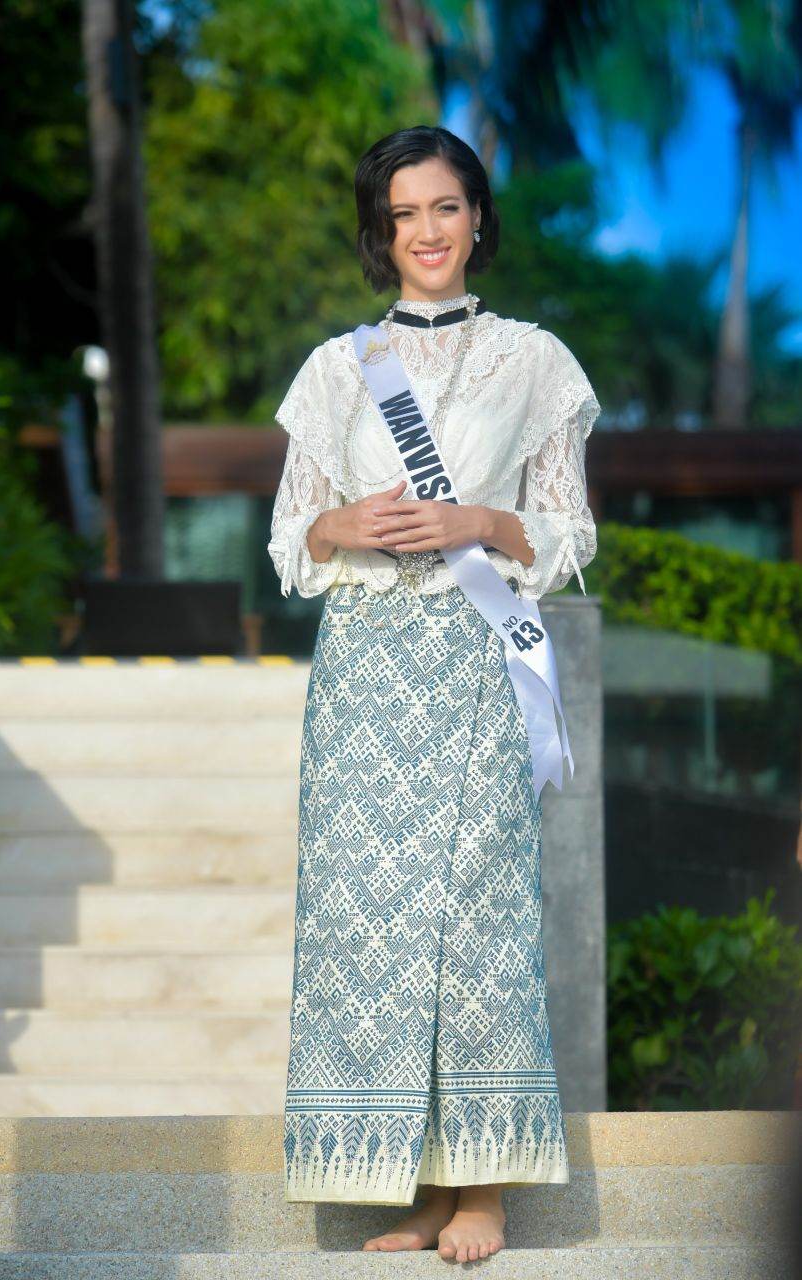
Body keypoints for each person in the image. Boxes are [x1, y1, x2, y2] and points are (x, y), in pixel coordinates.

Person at [267, 124, 599, 1264]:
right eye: (404, 213)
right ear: (381, 231)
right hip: (364, 671)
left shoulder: (535, 362)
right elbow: (289, 540)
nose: (426, 232)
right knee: (369, 927)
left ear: (476, 217)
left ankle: (484, 1188)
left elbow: (571, 531)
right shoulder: (333, 369)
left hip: (475, 661)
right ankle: (404, 1187)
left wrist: (475, 522)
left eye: (445, 207)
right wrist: (341, 520)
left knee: (479, 916)